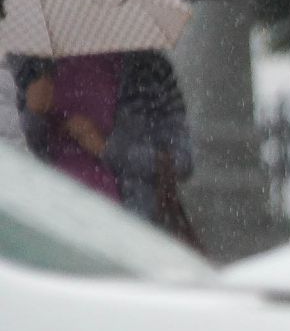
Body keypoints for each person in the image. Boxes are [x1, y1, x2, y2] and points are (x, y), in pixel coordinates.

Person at [12, 51, 194, 227]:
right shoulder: (36, 64)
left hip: (125, 227)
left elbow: (181, 161)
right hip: (54, 219)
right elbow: (26, 150)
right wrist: (33, 114)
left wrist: (107, 148)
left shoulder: (150, 69)